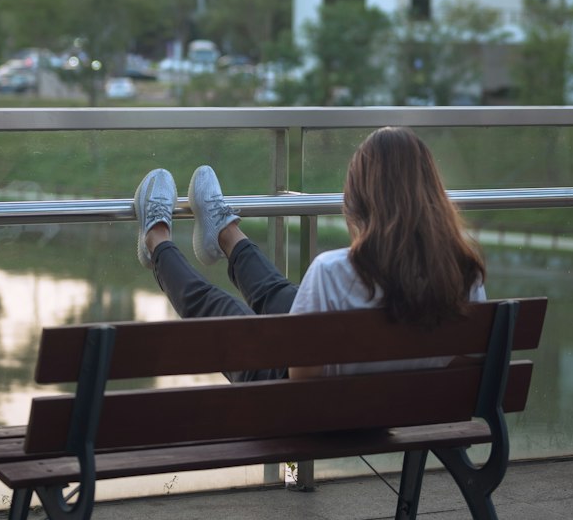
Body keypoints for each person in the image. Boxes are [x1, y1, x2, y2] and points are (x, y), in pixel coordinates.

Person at [133, 126, 486, 381]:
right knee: (281, 297)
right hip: (402, 408)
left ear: (359, 199)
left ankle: (156, 237)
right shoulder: (465, 273)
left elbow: (302, 381)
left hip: (310, 410)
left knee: (220, 311)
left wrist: (273, 340)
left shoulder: (334, 272)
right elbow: (463, 365)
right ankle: (225, 233)